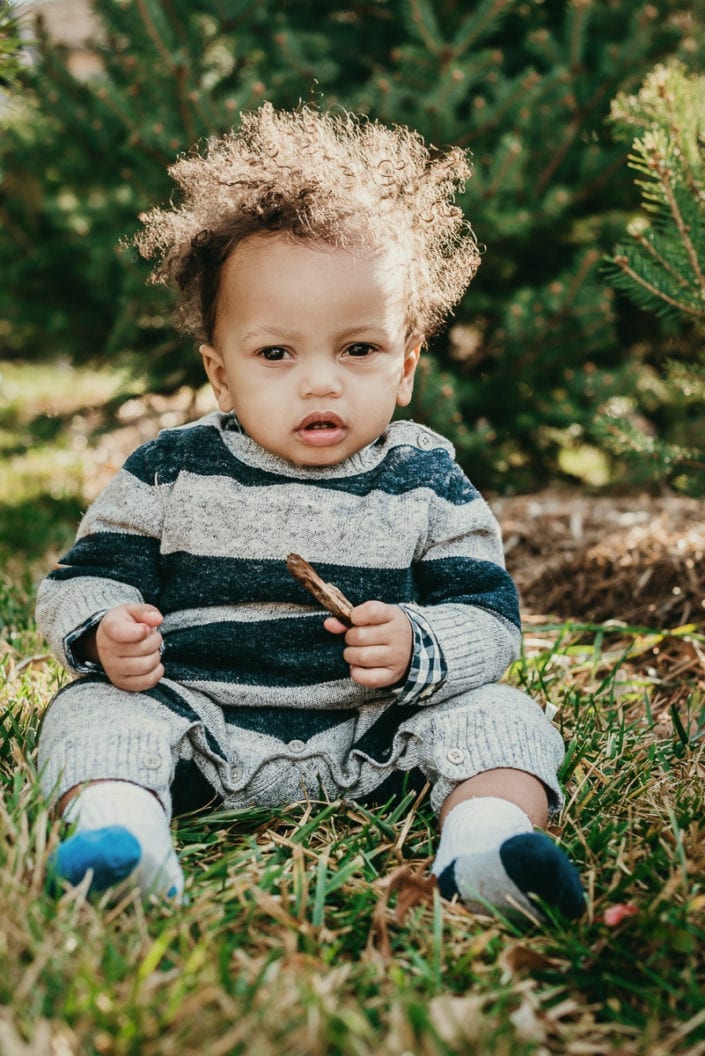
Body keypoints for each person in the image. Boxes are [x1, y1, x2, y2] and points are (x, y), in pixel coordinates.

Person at [36, 104, 584, 921]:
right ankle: (125, 838)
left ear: (403, 366)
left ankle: (487, 846)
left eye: (357, 349)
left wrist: (420, 646)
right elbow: (81, 578)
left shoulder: (423, 476)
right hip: (199, 731)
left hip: (377, 741)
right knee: (90, 714)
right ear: (221, 375)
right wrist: (104, 630)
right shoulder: (171, 468)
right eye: (276, 354)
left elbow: (488, 614)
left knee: (501, 717)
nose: (320, 383)